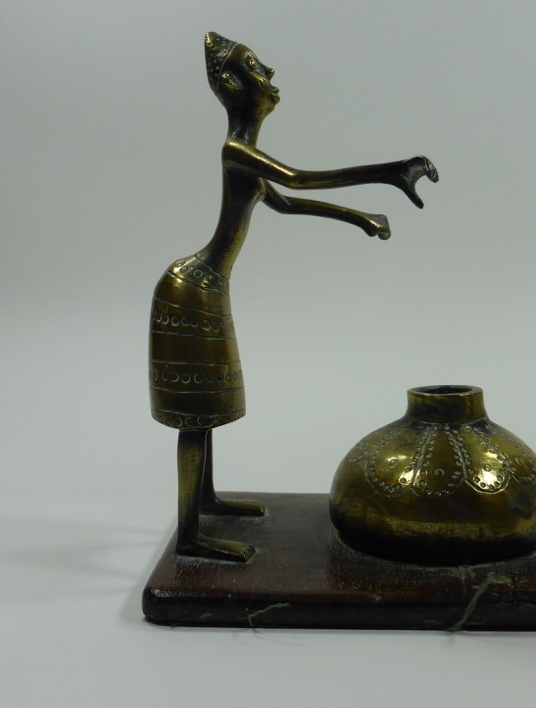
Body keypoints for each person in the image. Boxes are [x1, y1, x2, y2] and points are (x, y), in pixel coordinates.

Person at [150, 32, 439, 561]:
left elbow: (286, 203)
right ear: (234, 84)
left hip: (210, 283)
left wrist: (359, 217)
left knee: (208, 407)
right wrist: (389, 173)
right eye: (256, 66)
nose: (271, 74)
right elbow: (298, 180)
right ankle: (190, 535)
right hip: (190, 287)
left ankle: (206, 500)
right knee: (195, 413)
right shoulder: (236, 150)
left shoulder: (247, 158)